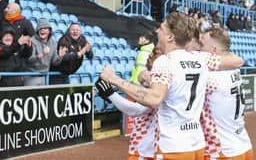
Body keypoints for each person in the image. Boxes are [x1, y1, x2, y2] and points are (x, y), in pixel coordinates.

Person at [99, 12, 244, 160]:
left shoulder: (165, 62)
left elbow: (154, 98)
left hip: (173, 146)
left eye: (161, 28)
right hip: (197, 143)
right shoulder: (200, 58)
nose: (157, 31)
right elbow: (236, 61)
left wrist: (114, 79)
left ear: (170, 37)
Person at [96, 46, 162, 160]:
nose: (150, 56)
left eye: (155, 53)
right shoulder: (158, 79)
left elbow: (136, 110)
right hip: (148, 147)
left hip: (146, 150)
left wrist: (110, 93)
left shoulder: (160, 81)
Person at [199, 28, 254, 160]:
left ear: (213, 51)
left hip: (221, 151)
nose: (199, 48)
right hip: (243, 145)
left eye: (202, 44)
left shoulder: (210, 78)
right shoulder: (234, 71)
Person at [24, 18, 64, 86]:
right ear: (37, 30)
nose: (42, 30)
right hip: (31, 76)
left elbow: (54, 62)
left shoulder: (53, 43)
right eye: (40, 28)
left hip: (45, 76)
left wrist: (60, 56)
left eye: (45, 28)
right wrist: (42, 54)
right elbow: (29, 60)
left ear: (49, 31)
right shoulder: (31, 41)